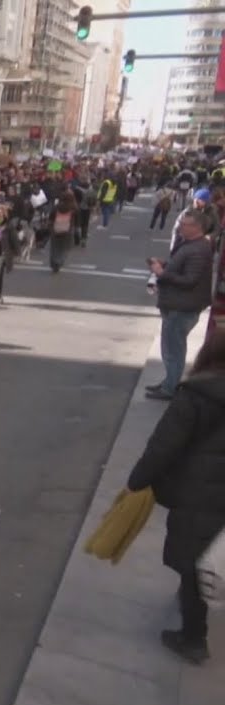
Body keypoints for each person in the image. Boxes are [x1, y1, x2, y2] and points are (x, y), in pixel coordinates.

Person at [126, 331, 225, 665]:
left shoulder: (196, 394)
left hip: (201, 491)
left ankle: (193, 638)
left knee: (193, 560)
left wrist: (137, 481)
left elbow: (163, 446)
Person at [146, 209, 215, 401]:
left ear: (197, 228)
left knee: (173, 350)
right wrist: (166, 265)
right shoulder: (191, 244)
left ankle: (170, 387)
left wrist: (162, 272)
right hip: (177, 305)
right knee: (170, 348)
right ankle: (170, 381)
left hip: (182, 307)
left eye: (185, 225)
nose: (180, 227)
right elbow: (184, 270)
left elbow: (189, 280)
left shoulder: (198, 249)